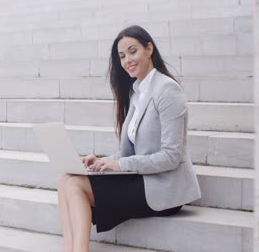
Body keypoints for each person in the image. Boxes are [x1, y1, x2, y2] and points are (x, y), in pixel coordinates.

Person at [56, 25, 201, 252]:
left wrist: (120, 164)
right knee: (64, 180)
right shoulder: (136, 92)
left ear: (149, 48)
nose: (127, 61)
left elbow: (172, 157)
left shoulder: (168, 91)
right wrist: (103, 161)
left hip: (164, 187)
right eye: (122, 56)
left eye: (133, 51)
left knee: (75, 185)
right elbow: (133, 151)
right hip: (142, 178)